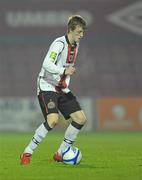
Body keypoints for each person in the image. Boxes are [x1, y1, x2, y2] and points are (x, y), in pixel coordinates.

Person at [20, 15, 87, 165]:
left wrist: (75, 18)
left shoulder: (75, 44)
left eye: (83, 32)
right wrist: (64, 71)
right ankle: (27, 152)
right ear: (70, 30)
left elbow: (74, 20)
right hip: (46, 85)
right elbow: (46, 63)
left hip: (62, 88)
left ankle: (61, 152)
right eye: (79, 32)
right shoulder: (59, 44)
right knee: (52, 120)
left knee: (81, 119)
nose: (81, 35)